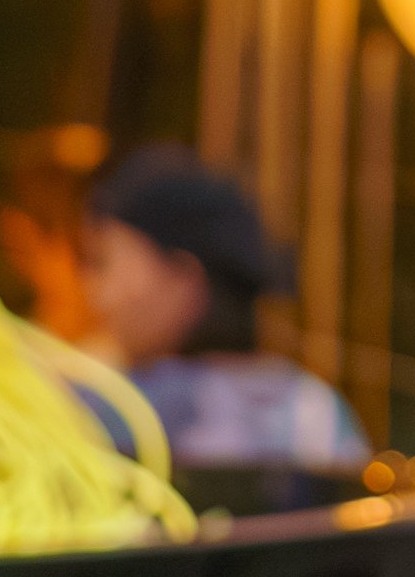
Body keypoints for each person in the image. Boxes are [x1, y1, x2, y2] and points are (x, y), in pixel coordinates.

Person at [79, 152, 364, 475]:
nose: (99, 297)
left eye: (104, 263)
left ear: (184, 280)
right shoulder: (314, 410)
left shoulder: (115, 409)